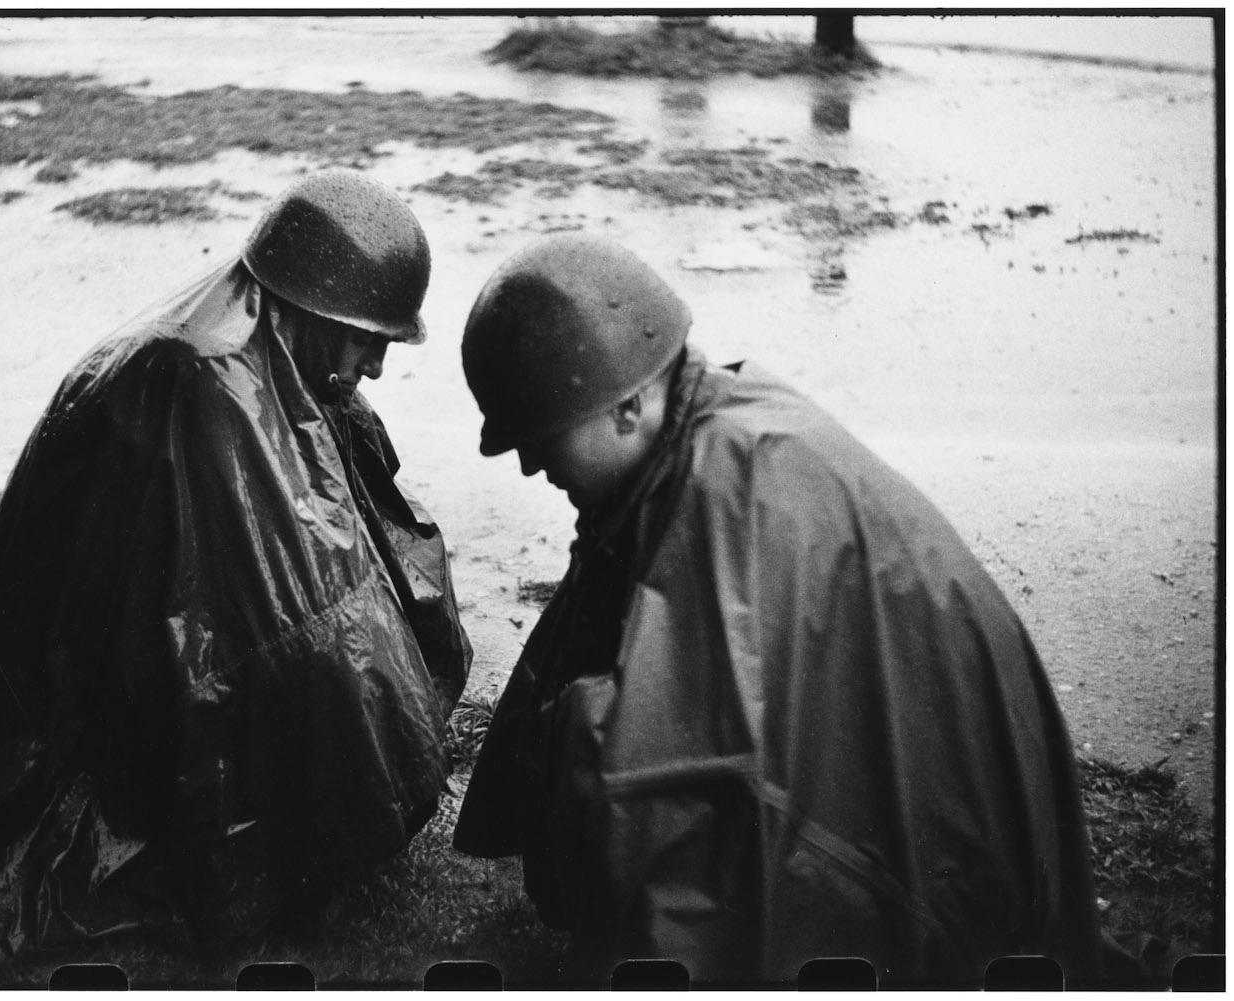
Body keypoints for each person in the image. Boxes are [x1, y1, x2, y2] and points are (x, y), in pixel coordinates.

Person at [451, 235, 1105, 987]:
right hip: (953, 791)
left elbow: (672, 770)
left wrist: (572, 736)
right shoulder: (707, 418)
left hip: (953, 842)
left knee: (604, 751)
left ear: (628, 406)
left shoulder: (734, 487)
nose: (532, 465)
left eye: (540, 438)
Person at [0, 170, 471, 972]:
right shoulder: (200, 387)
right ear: (316, 312)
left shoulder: (263, 361)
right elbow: (249, 631)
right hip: (86, 726)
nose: (376, 367)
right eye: (369, 341)